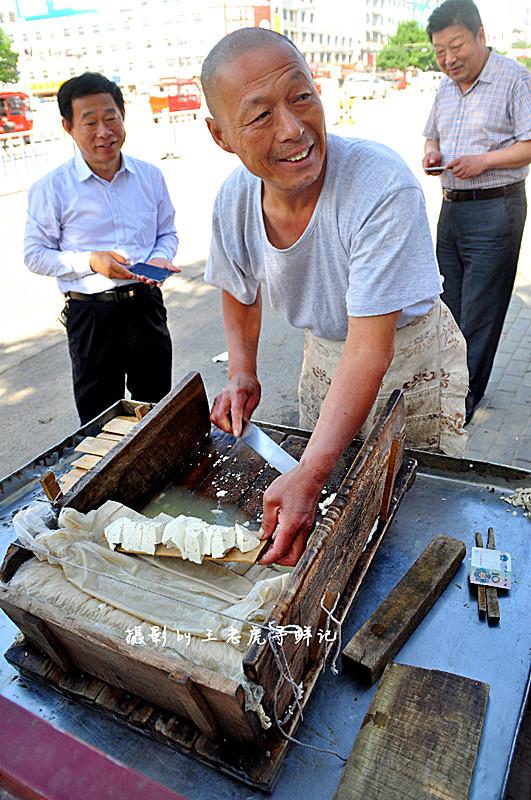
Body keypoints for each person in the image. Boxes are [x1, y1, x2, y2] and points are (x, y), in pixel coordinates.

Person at [201, 28, 468, 566]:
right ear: (221, 135)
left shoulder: (379, 185)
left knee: (411, 518)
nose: (294, 129)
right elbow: (239, 288)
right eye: (259, 116)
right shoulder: (233, 200)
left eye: (302, 96)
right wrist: (242, 372)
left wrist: (311, 469)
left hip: (409, 360)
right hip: (325, 359)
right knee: (327, 494)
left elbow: (373, 347)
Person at [24, 72, 179, 425]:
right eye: (89, 122)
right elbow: (35, 254)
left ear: (123, 114)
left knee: (156, 410)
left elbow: (166, 232)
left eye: (111, 118)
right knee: (100, 420)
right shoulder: (52, 188)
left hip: (145, 307)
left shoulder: (149, 176)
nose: (104, 131)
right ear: (69, 127)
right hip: (91, 318)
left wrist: (160, 257)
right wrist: (91, 262)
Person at [423, 0, 531, 424]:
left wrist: (483, 160)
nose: (448, 59)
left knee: (479, 312)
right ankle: (444, 391)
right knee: (446, 308)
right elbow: (432, 136)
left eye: (456, 46)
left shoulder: (513, 78)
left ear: (480, 35)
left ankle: (459, 407)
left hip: (495, 210)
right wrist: (432, 154)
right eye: (439, 51)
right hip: (451, 210)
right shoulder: (445, 88)